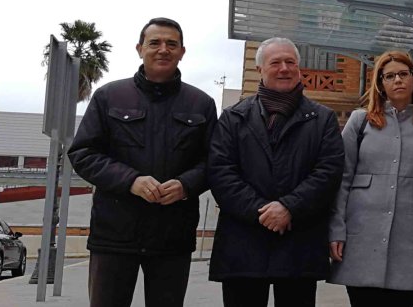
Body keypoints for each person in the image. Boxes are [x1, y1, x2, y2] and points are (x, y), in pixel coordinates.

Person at [69, 17, 217, 307]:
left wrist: (187, 185)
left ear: (182, 52)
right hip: (114, 235)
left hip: (173, 236)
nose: (163, 49)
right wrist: (131, 181)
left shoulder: (201, 104)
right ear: (140, 49)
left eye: (171, 44)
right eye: (155, 43)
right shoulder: (109, 96)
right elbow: (83, 153)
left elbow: (216, 162)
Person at [207, 37, 345, 307]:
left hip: (298, 243)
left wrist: (288, 207)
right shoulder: (233, 118)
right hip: (243, 243)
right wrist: (263, 211)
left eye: (290, 62)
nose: (284, 68)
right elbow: (221, 172)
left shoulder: (323, 119)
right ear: (260, 69)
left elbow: (329, 171)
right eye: (276, 62)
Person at [327, 50, 413, 307]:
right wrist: (336, 230)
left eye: (403, 74)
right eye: (389, 76)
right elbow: (341, 180)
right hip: (361, 237)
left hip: (410, 240)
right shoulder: (359, 121)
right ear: (381, 84)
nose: (397, 80)